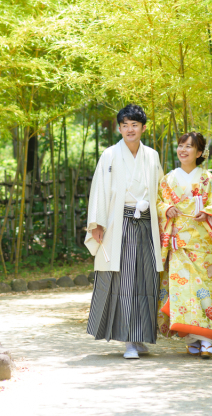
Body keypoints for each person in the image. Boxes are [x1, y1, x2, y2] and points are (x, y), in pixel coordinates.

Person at [84, 104, 164, 359]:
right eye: (125, 125)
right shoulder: (109, 154)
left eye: (134, 125)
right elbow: (99, 189)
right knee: (126, 280)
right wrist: (97, 224)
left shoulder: (152, 155)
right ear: (119, 128)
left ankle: (141, 336)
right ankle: (129, 340)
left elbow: (162, 191)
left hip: (147, 224)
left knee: (148, 279)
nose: (130, 130)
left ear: (143, 128)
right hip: (121, 224)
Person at [156, 132, 212, 358]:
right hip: (179, 244)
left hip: (204, 244)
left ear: (199, 152)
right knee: (183, 292)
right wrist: (166, 209)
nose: (183, 150)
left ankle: (207, 340)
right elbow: (159, 203)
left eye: (189, 147)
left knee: (207, 291)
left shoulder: (209, 179)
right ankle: (191, 338)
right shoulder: (168, 179)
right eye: (180, 146)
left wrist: (209, 212)